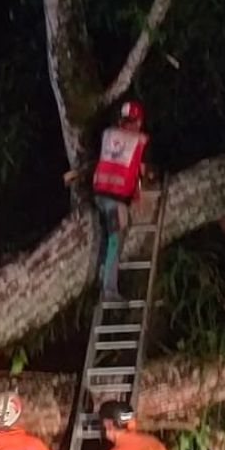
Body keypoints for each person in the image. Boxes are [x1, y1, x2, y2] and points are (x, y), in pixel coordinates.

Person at [91, 100, 149, 301]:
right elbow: (138, 173)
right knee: (116, 239)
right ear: (138, 121)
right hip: (116, 200)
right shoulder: (139, 140)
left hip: (99, 195)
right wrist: (138, 196)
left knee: (109, 236)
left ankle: (102, 274)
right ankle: (109, 289)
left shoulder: (108, 134)